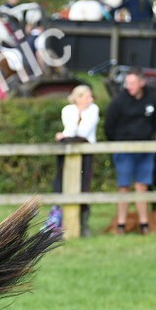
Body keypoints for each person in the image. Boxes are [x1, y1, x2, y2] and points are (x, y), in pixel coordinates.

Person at [104, 68, 156, 235]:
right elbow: (109, 126)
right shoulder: (118, 102)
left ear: (142, 82)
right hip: (124, 150)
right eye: (127, 83)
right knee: (124, 186)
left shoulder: (151, 100)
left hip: (145, 150)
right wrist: (119, 143)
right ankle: (121, 224)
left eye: (133, 83)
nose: (130, 86)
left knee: (142, 186)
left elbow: (155, 121)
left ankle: (144, 224)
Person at [52, 85, 99, 236]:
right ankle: (58, 224)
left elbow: (83, 132)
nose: (90, 100)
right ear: (78, 97)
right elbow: (72, 130)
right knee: (61, 184)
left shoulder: (93, 109)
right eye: (87, 96)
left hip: (85, 152)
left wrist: (65, 135)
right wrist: (69, 132)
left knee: (84, 185)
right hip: (68, 150)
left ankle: (83, 225)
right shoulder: (68, 110)